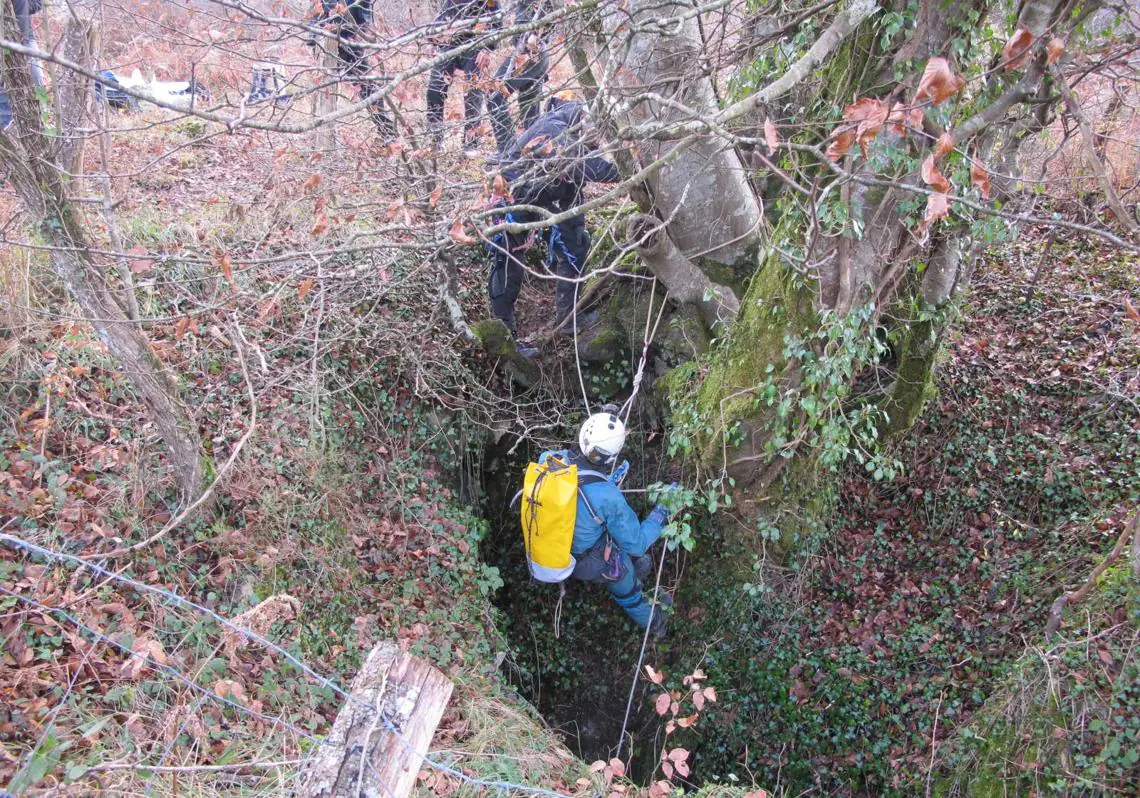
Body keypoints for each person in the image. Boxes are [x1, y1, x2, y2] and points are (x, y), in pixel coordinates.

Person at [487, 93, 620, 341]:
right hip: (516, 194)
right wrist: (632, 166)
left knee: (577, 244)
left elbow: (584, 163)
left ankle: (567, 319)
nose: (597, 144)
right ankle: (505, 335)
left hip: (556, 192)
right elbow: (593, 168)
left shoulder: (573, 128)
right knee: (509, 262)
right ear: (585, 122)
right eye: (596, 138)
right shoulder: (555, 130)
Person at [543, 406, 671, 638]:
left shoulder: (549, 460)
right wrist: (661, 513)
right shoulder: (607, 497)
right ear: (612, 457)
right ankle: (655, 622)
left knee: (621, 546)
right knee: (626, 585)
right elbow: (638, 543)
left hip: (553, 545)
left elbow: (578, 490)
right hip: (586, 562)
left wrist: (605, 481)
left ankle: (636, 570)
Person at [309, 0, 396, 139]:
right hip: (324, 42)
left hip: (350, 42)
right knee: (323, 90)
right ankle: (320, 138)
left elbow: (364, 19)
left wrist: (358, 36)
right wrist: (315, 38)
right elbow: (315, 14)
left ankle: (388, 135)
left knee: (367, 88)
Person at [426, 0, 503, 153]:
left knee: (473, 92)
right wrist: (434, 42)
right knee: (434, 88)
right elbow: (443, 18)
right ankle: (436, 141)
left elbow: (497, 23)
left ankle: (470, 145)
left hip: (476, 43)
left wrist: (487, 48)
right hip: (450, 44)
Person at [487, 0, 552, 157]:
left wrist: (536, 35)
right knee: (530, 117)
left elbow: (552, 17)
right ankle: (536, 158)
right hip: (534, 55)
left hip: (530, 54)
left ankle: (508, 151)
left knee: (494, 94)